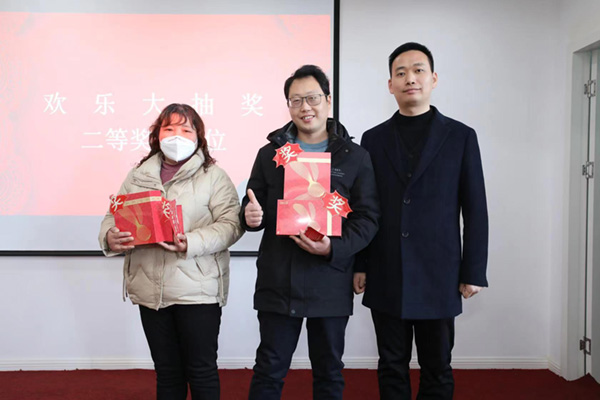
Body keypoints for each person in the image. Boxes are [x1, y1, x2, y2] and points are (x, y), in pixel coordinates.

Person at [354, 43, 489, 399]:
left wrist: (473, 270)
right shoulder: (373, 139)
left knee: (437, 366)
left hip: (439, 273)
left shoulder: (460, 136)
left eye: (418, 70)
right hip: (387, 270)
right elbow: (365, 208)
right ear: (390, 84)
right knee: (391, 364)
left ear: (433, 78)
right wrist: (361, 264)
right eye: (400, 73)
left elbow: (475, 208)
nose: (409, 78)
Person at [240, 65, 379, 400]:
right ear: (288, 106)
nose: (305, 107)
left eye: (313, 98)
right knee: (269, 369)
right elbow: (251, 205)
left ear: (328, 100)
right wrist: (250, 216)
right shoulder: (271, 155)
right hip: (278, 280)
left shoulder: (354, 157)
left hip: (330, 280)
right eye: (296, 100)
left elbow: (368, 218)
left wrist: (333, 248)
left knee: (329, 373)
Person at [99, 103, 243, 400]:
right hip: (150, 289)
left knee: (201, 371)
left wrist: (191, 241)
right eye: (169, 128)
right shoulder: (138, 175)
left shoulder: (214, 176)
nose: (177, 136)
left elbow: (231, 225)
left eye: (186, 129)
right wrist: (110, 236)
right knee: (166, 372)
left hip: (197, 290)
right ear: (157, 135)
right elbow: (113, 215)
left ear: (198, 137)